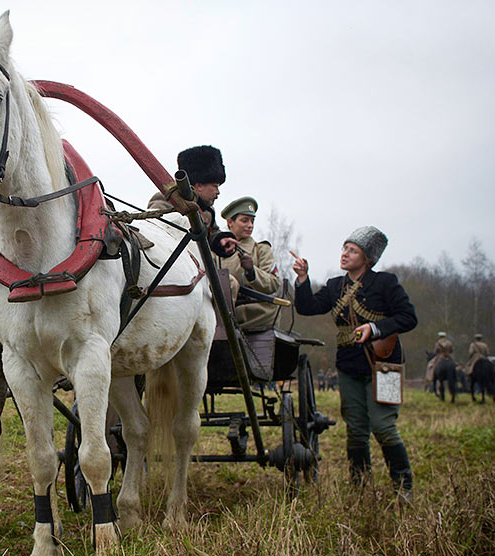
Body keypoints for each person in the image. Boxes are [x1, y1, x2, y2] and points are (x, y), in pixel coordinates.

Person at [292, 226, 418, 503]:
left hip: (384, 364)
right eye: (344, 248)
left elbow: (408, 318)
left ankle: (403, 486)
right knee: (357, 430)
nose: (345, 254)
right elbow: (308, 307)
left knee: (384, 427)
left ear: (367, 258)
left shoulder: (386, 283)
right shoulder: (336, 286)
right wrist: (302, 279)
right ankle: (359, 486)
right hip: (349, 365)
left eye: (353, 250)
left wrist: (375, 328)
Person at [147, 145, 236, 257]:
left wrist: (221, 240)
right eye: (215, 186)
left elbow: (212, 233)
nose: (218, 192)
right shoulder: (166, 200)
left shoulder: (207, 211)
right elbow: (153, 228)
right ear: (199, 186)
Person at [214, 197, 282, 330]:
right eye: (244, 220)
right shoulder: (215, 251)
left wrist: (252, 272)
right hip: (218, 308)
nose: (250, 225)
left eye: (252, 221)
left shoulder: (261, 250)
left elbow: (274, 283)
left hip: (252, 313)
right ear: (230, 222)